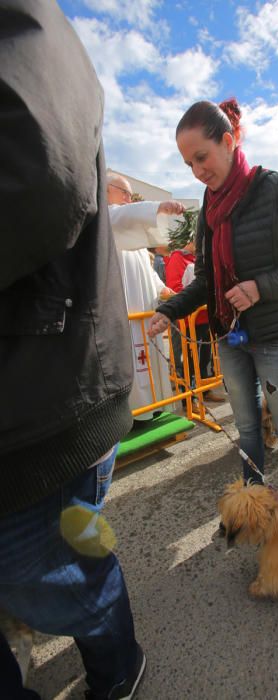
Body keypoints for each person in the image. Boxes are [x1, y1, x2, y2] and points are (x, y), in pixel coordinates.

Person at [0, 2, 146, 698]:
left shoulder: (22, 24)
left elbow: (39, 173)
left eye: (201, 157)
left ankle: (118, 669)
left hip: (42, 399)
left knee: (69, 572)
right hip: (41, 384)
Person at [149, 99, 278, 497]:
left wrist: (259, 287)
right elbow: (206, 280)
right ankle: (254, 506)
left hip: (277, 334)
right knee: (247, 427)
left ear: (229, 141)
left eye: (202, 157)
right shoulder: (209, 209)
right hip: (229, 336)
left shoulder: (275, 188)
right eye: (189, 165)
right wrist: (169, 309)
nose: (198, 172)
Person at [107, 172, 185, 424]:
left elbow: (147, 274)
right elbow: (120, 216)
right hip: (125, 316)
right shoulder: (105, 219)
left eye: (130, 194)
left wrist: (164, 289)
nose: (128, 199)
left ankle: (153, 408)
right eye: (125, 193)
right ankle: (131, 416)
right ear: (107, 189)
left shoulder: (134, 237)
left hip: (145, 314)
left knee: (150, 361)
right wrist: (156, 208)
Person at [165, 221, 225, 403]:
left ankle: (205, 391)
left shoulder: (198, 259)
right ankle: (189, 398)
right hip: (189, 319)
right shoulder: (177, 258)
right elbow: (174, 287)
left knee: (204, 356)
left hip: (206, 318)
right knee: (189, 359)